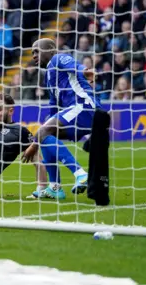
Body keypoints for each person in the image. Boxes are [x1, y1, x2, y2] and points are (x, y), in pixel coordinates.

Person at [22, 38, 94, 199]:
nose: (34, 55)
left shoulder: (57, 58)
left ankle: (81, 174)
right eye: (32, 52)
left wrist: (84, 71)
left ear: (51, 51)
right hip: (76, 112)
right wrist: (44, 128)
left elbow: (74, 66)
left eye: (37, 51)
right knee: (46, 135)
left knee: (43, 133)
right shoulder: (48, 76)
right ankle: (55, 187)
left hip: (84, 107)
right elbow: (54, 105)